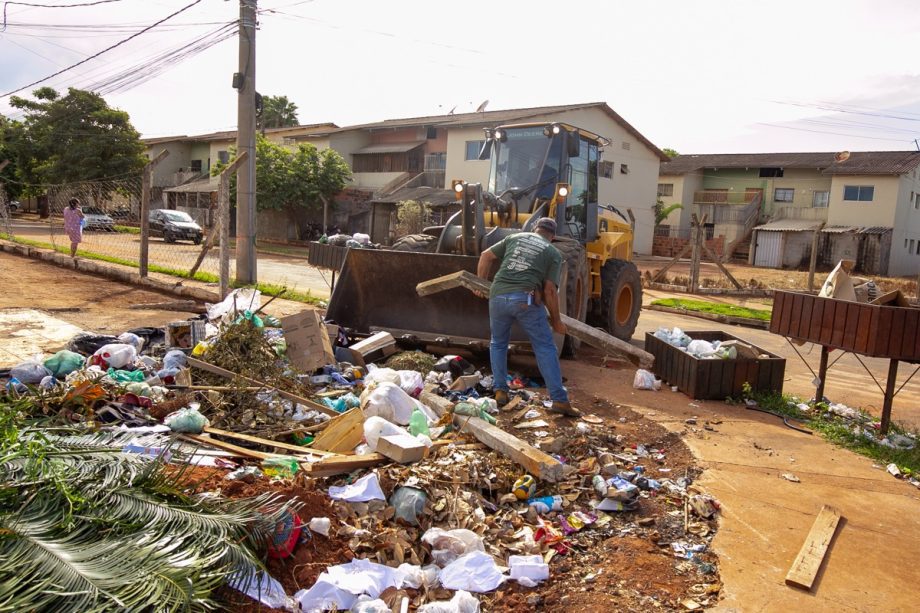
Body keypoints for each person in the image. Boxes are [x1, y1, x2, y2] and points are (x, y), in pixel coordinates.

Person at [476, 217, 579, 416]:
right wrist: (556, 321)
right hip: (525, 299)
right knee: (545, 347)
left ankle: (500, 391)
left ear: (534, 229)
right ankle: (559, 400)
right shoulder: (553, 252)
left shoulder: (514, 237)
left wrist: (480, 284)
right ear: (553, 237)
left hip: (498, 296)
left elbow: (485, 255)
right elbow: (549, 290)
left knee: (498, 343)